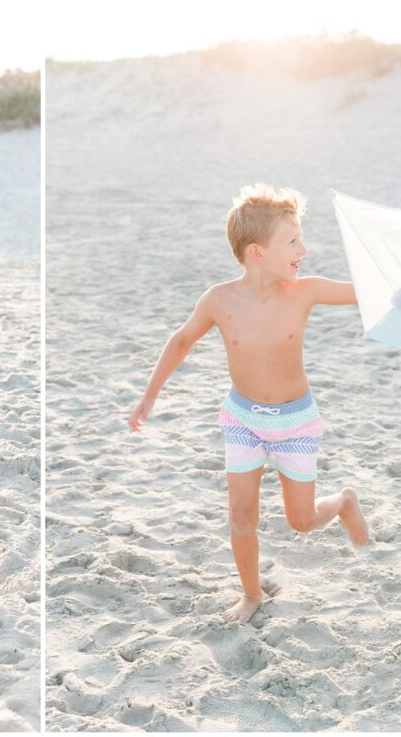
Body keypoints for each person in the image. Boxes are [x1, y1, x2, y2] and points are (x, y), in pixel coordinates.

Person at [128, 184, 369, 624]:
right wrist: (148, 398)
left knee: (301, 521)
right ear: (257, 253)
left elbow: (367, 292)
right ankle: (252, 593)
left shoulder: (306, 291)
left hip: (296, 423)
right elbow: (181, 341)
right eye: (293, 242)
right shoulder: (219, 300)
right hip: (242, 420)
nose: (305, 249)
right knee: (241, 515)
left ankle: (344, 502)